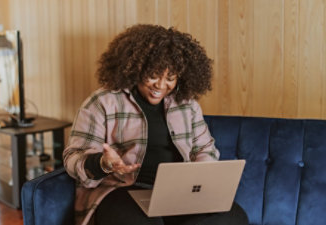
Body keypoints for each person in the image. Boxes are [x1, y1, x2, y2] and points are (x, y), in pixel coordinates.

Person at [63, 24, 248, 225]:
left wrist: (201, 179)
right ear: (136, 68)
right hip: (122, 191)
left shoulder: (187, 105)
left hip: (178, 193)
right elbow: (74, 158)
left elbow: (204, 149)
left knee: (233, 217)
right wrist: (102, 163)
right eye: (153, 75)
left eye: (170, 78)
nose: (160, 86)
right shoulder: (102, 102)